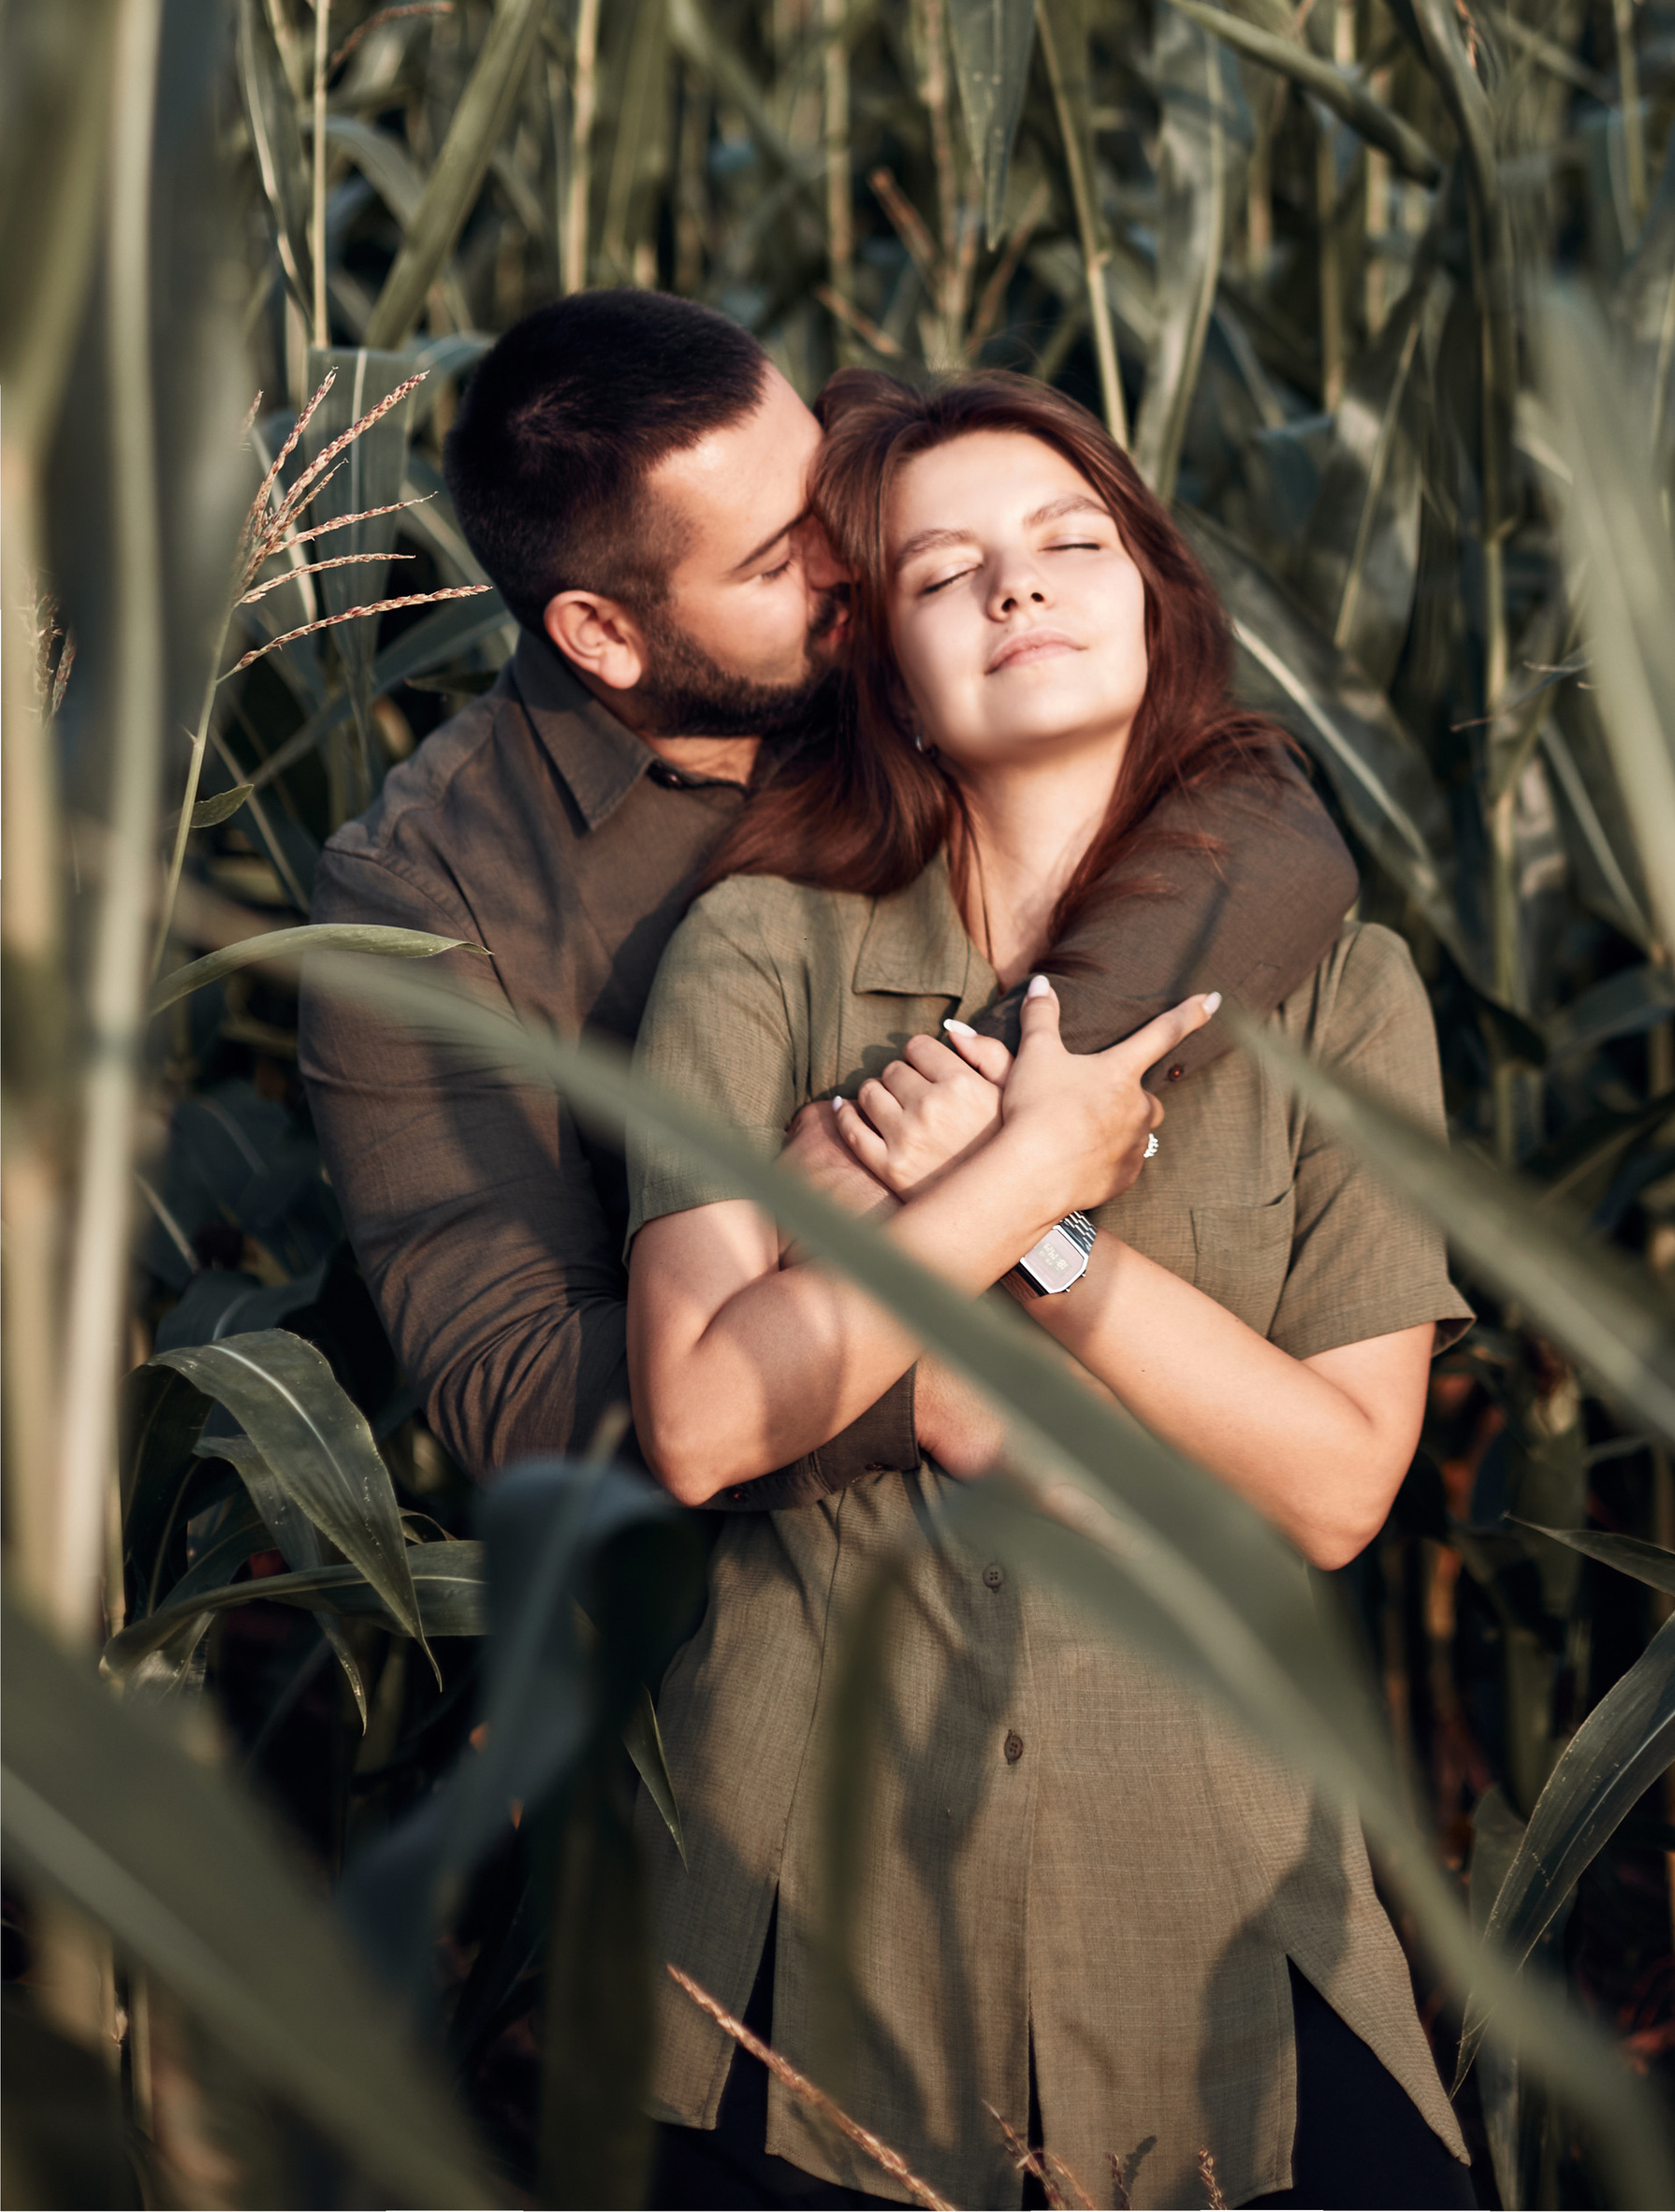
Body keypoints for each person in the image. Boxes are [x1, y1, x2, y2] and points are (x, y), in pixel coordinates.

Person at [624, 370, 1477, 2210]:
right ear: (888, 678)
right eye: (946, 574)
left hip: (1227, 1907)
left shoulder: (1348, 995)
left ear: (1156, 600)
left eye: (1068, 543)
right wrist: (1024, 1165)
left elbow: (1335, 1487)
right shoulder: (757, 952)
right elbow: (698, 1423)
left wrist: (1028, 1236)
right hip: (807, 1936)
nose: (1019, 590)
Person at [299, 296, 1363, 1506]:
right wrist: (930, 1380)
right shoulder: (416, 901)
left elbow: (1262, 815)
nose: (842, 560)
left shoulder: (912, 635)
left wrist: (953, 1127)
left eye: (822, 502)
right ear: (602, 633)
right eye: (770, 561)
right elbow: (523, 1393)